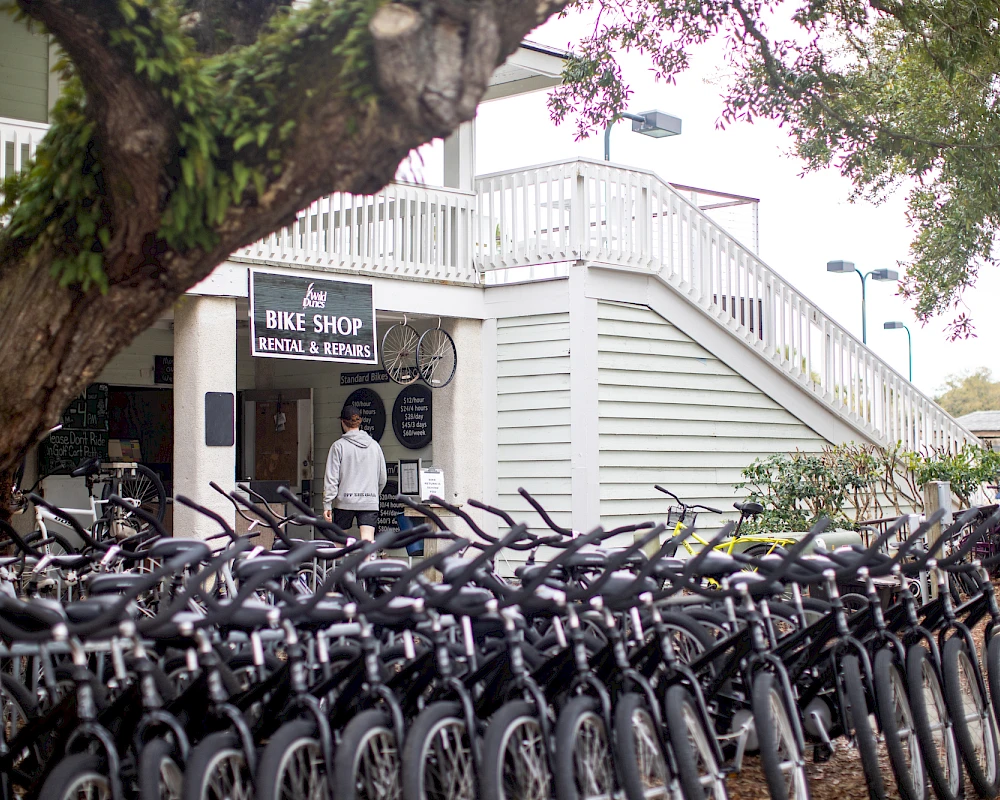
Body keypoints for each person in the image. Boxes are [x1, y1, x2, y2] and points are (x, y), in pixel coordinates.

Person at [323, 404, 387, 543]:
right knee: (367, 541)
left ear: (342, 422)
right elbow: (383, 477)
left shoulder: (338, 446)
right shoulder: (374, 445)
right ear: (359, 422)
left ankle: (339, 565)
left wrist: (327, 503)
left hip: (345, 501)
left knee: (339, 542)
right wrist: (373, 493)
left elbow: (331, 478)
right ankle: (366, 565)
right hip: (369, 500)